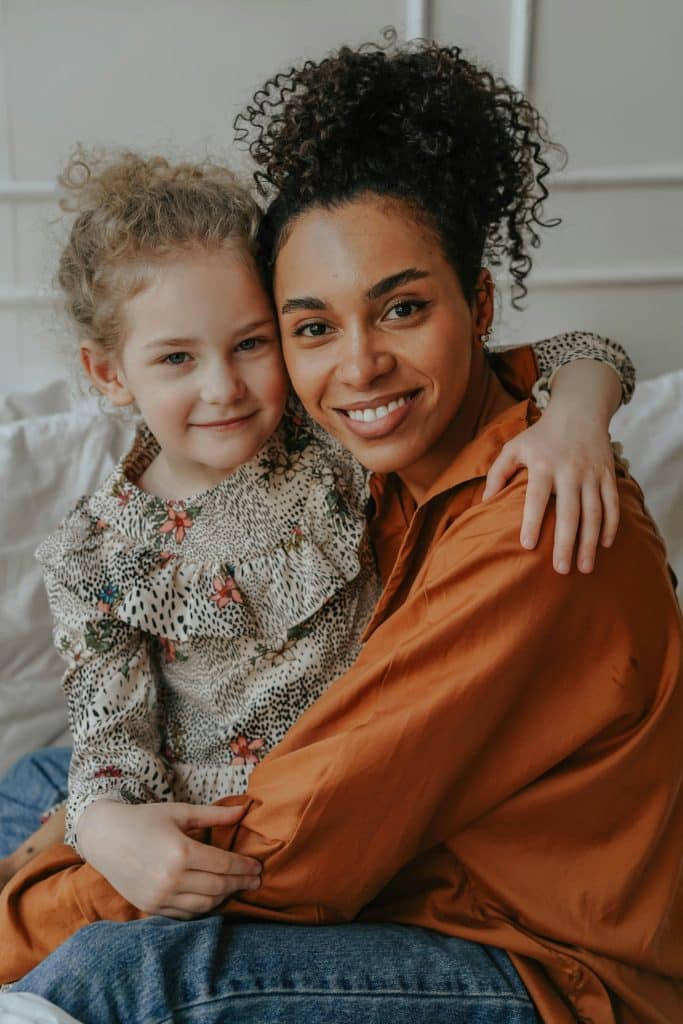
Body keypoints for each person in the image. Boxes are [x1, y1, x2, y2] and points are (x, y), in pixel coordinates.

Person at [2, 37, 678, 1024]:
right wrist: (90, 820)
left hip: (539, 958)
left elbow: (292, 838)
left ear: (474, 305)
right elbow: (554, 358)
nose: (357, 368)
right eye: (312, 328)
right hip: (402, 858)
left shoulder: (531, 523)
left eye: (401, 308)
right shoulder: (395, 447)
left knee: (119, 971)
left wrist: (38, 901)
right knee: (38, 780)